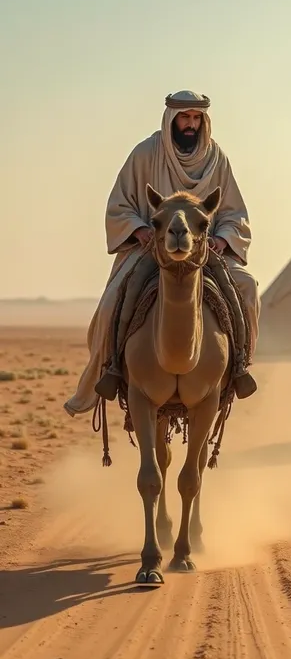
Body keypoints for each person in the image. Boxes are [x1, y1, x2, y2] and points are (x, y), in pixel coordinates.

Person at [64, 89, 260, 418]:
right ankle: (110, 371)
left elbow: (234, 213)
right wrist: (140, 229)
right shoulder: (145, 154)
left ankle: (238, 366)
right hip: (151, 249)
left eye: (197, 118)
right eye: (184, 117)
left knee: (248, 287)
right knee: (113, 300)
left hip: (203, 251)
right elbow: (120, 205)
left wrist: (224, 239)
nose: (191, 125)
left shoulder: (217, 159)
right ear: (171, 118)